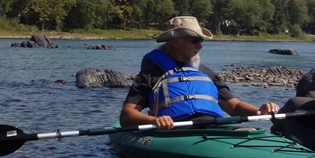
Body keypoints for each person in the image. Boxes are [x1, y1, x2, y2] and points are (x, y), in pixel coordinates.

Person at [120, 16, 280, 130]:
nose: (200, 46)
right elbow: (127, 116)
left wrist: (259, 111)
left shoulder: (206, 73)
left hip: (214, 128)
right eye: (194, 40)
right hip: (175, 132)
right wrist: (154, 120)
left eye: (201, 41)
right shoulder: (151, 74)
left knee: (249, 131)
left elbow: (234, 106)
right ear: (175, 42)